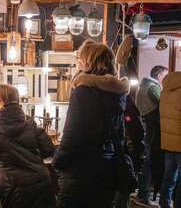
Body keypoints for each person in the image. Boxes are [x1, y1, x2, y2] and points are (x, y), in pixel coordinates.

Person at [53, 41, 130, 207]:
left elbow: (72, 135)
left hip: (80, 172)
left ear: (88, 62)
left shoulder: (83, 90)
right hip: (108, 170)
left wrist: (57, 162)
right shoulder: (119, 93)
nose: (77, 63)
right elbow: (121, 134)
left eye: (80, 59)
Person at [0, 84, 56, 208]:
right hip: (40, 181)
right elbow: (48, 149)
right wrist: (31, 158)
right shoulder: (28, 121)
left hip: (12, 185)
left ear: (0, 100)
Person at [135, 65, 168, 206]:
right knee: (150, 162)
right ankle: (144, 195)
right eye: (165, 75)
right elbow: (164, 104)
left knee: (147, 161)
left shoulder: (143, 85)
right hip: (153, 128)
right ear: (159, 75)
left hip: (147, 126)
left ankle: (143, 194)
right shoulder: (152, 87)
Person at [114, 95, 146, 208]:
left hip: (110, 153)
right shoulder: (124, 100)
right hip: (126, 154)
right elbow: (137, 130)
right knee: (122, 189)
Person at [159, 72, 181, 208]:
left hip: (168, 142)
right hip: (180, 142)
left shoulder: (164, 92)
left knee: (169, 176)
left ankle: (164, 203)